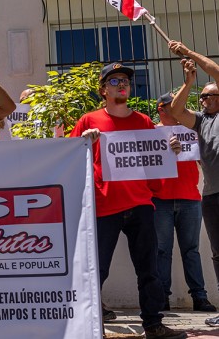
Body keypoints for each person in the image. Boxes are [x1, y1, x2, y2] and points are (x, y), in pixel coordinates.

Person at [69, 63, 186, 339]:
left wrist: (171, 153)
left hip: (141, 206)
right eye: (114, 81)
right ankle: (88, 326)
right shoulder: (89, 121)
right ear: (102, 90)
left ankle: (153, 325)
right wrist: (83, 143)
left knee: (149, 269)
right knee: (96, 270)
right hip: (104, 206)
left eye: (125, 81)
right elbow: (70, 160)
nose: (122, 85)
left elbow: (155, 173)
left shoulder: (144, 122)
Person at [166, 41, 219, 327]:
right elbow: (176, 111)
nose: (204, 100)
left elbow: (216, 71)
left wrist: (188, 53)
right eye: (202, 97)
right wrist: (189, 82)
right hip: (211, 194)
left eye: (210, 96)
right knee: (218, 253)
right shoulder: (201, 121)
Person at [152, 90, 216, 312]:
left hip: (190, 198)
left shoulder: (192, 129)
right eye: (173, 105)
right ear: (162, 109)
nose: (180, 108)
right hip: (160, 200)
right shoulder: (151, 133)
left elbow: (207, 159)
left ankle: (200, 298)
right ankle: (162, 299)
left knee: (191, 250)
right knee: (162, 251)